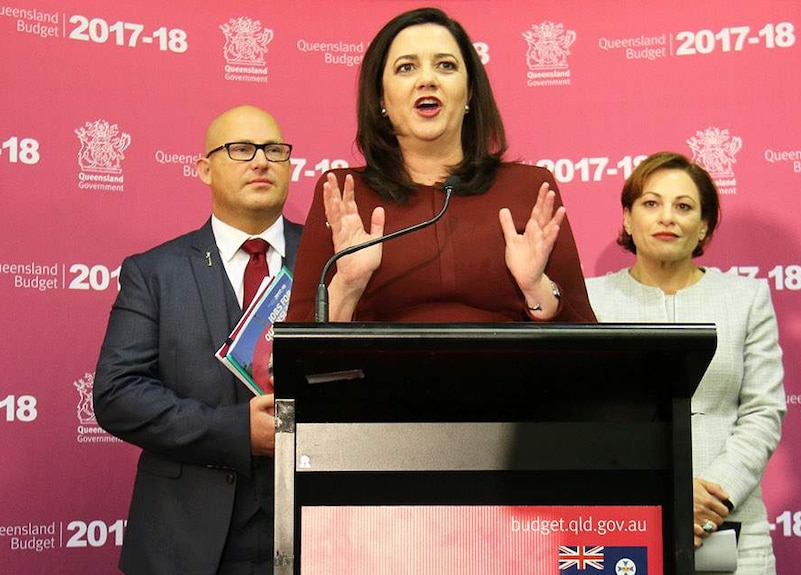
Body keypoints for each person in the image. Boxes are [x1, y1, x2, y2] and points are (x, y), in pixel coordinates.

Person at [93, 105, 303, 574]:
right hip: (185, 539)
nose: (261, 161)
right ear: (204, 169)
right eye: (241, 149)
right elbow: (117, 395)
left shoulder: (331, 262)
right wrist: (234, 432)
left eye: (274, 150)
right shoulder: (154, 272)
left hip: (316, 531)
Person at [285, 7, 595, 323]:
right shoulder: (344, 196)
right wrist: (347, 286)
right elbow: (295, 352)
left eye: (445, 66)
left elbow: (590, 346)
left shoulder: (529, 189)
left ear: (470, 92)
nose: (427, 80)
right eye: (406, 67)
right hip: (381, 373)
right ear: (380, 97)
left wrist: (537, 290)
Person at [585, 151, 786, 574]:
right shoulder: (591, 301)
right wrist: (668, 493)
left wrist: (713, 495)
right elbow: (586, 419)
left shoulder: (747, 300)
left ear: (704, 227)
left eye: (684, 207)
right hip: (624, 520)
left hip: (728, 523)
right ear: (627, 218)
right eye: (651, 203)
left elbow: (763, 412)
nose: (667, 218)